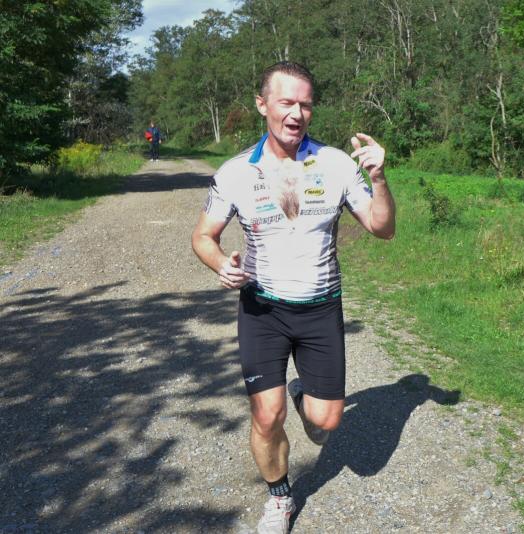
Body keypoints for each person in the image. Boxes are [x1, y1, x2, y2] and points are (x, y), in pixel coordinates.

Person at [191, 61, 395, 534]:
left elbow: (382, 228)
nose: (296, 114)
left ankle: (304, 394)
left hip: (321, 309)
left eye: (305, 104)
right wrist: (221, 264)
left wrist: (380, 178)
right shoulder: (236, 172)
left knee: (325, 424)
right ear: (262, 105)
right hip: (262, 309)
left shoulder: (336, 164)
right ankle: (280, 497)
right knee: (267, 415)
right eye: (286, 102)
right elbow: (203, 236)